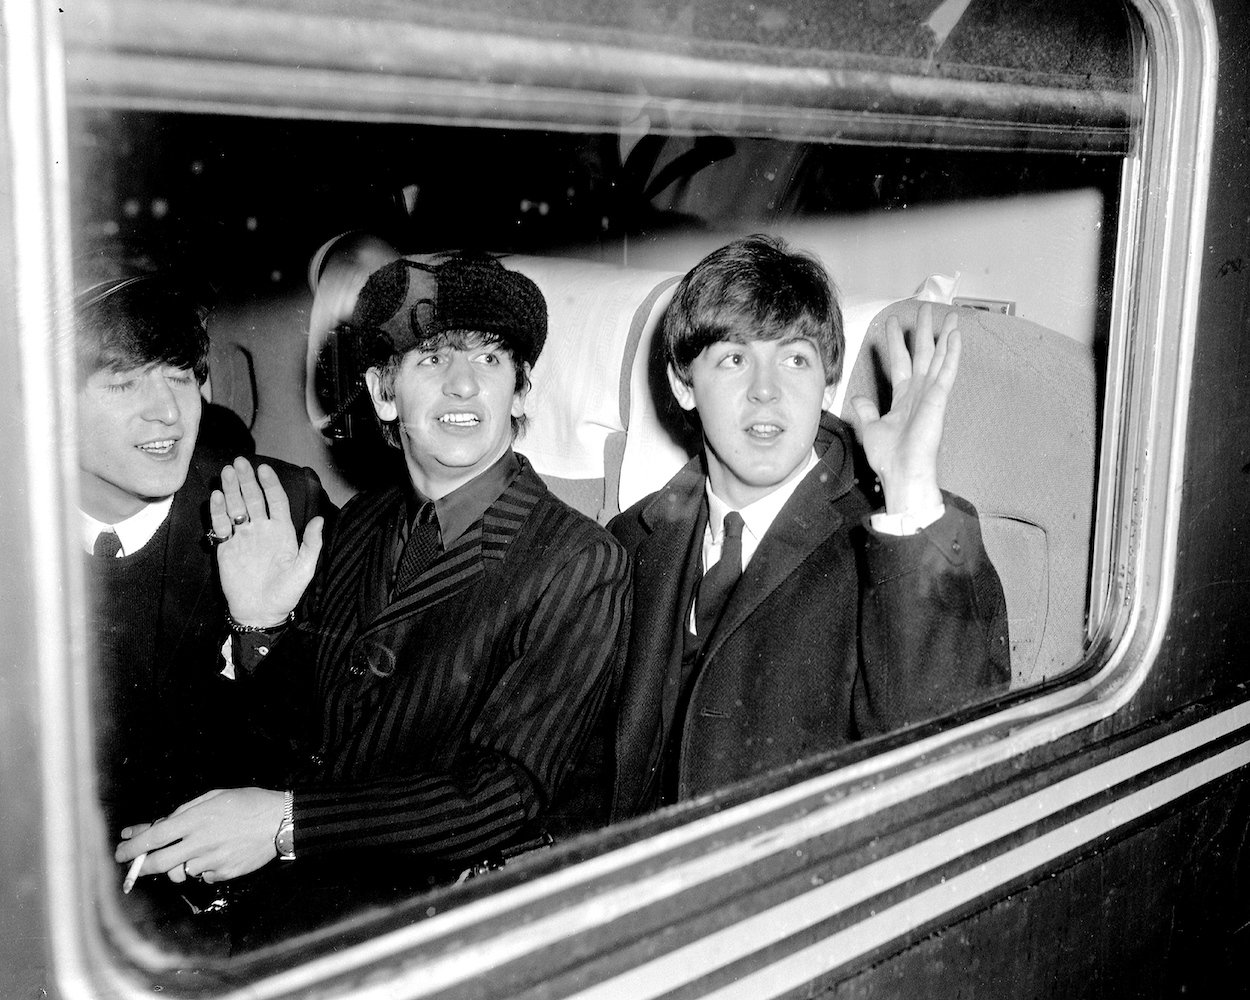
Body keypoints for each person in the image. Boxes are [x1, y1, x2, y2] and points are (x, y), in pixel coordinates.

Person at [114, 252, 630, 933]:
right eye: (432, 360)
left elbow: (505, 794)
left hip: (433, 913)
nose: (464, 386)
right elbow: (302, 733)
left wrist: (281, 824)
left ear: (522, 392)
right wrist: (262, 625)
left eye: (491, 361)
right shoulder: (359, 523)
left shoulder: (580, 561)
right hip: (307, 890)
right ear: (384, 394)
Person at [609, 235, 1010, 817]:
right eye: (734, 358)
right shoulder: (631, 542)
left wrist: (911, 487)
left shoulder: (903, 532)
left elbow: (948, 776)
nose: (766, 391)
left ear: (827, 384)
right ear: (682, 384)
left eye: (795, 359)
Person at [74, 271, 331, 938]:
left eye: (182, 374)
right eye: (124, 380)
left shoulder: (280, 510)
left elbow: (329, 762)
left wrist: (261, 629)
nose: (167, 412)